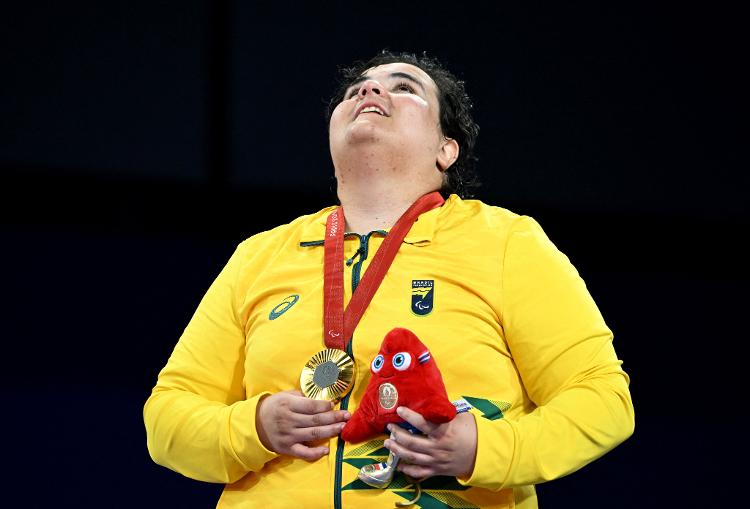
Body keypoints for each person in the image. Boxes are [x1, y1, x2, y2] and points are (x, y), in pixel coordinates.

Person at [144, 51, 634, 508]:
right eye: (356, 89)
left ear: (446, 149)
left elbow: (601, 399)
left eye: (404, 87)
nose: (369, 93)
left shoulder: (505, 242)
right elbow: (167, 418)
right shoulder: (260, 256)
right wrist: (253, 427)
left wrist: (485, 449)